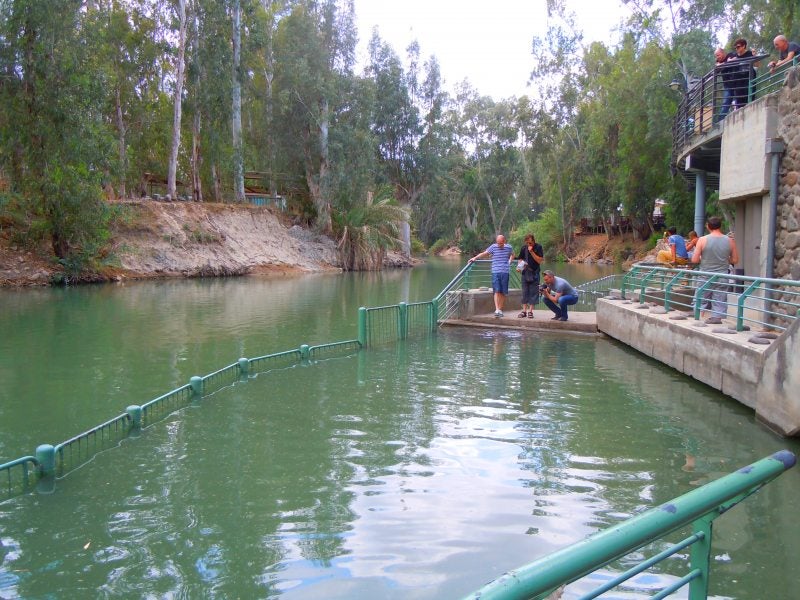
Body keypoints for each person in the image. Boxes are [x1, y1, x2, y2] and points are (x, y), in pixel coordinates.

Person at [691, 216, 739, 323]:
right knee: (720, 299)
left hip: (705, 275)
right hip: (722, 276)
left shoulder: (702, 240)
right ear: (720, 226)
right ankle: (717, 319)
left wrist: (705, 258)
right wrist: (724, 259)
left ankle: (698, 319)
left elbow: (694, 260)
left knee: (700, 298)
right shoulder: (730, 241)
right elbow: (735, 260)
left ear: (708, 226)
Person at [468, 234, 514, 318]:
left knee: (503, 292)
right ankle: (497, 309)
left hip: (505, 272)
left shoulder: (509, 247)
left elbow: (512, 254)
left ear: (504, 241)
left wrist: (510, 261)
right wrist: (475, 258)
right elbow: (484, 253)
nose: (499, 245)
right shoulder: (493, 247)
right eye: (498, 243)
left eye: (501, 243)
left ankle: (500, 310)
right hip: (495, 271)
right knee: (496, 290)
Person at [515, 233, 544, 318]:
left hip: (534, 273)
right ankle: (524, 311)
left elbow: (539, 261)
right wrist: (519, 266)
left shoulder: (538, 247)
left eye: (530, 243)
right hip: (525, 272)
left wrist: (531, 252)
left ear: (534, 241)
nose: (528, 244)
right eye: (527, 243)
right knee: (524, 292)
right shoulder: (524, 248)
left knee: (533, 292)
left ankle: (530, 311)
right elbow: (520, 258)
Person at [728, 39, 756, 109]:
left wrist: (755, 56)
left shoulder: (750, 54)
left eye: (738, 47)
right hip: (738, 82)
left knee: (749, 98)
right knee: (739, 102)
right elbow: (727, 61)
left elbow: (757, 65)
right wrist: (730, 60)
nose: (736, 49)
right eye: (735, 47)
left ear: (744, 46)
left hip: (748, 80)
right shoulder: (734, 56)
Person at [715, 47, 737, 121]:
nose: (717, 57)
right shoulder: (718, 61)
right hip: (727, 86)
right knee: (725, 104)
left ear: (723, 53)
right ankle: (720, 122)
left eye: (718, 55)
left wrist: (727, 62)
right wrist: (726, 63)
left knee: (738, 101)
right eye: (716, 56)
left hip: (737, 83)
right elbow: (717, 68)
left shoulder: (731, 55)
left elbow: (737, 58)